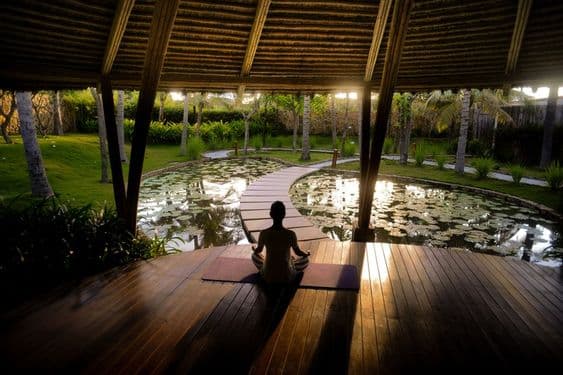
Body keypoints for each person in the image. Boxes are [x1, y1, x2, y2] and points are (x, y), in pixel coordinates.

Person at [251, 201, 310, 284]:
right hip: (286, 276)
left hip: (268, 275)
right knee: (306, 260)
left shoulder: (264, 233)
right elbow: (298, 252)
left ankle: (267, 265)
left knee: (254, 256)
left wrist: (254, 250)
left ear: (270, 214)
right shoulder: (290, 234)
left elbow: (259, 250)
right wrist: (306, 254)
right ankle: (291, 264)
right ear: (284, 214)